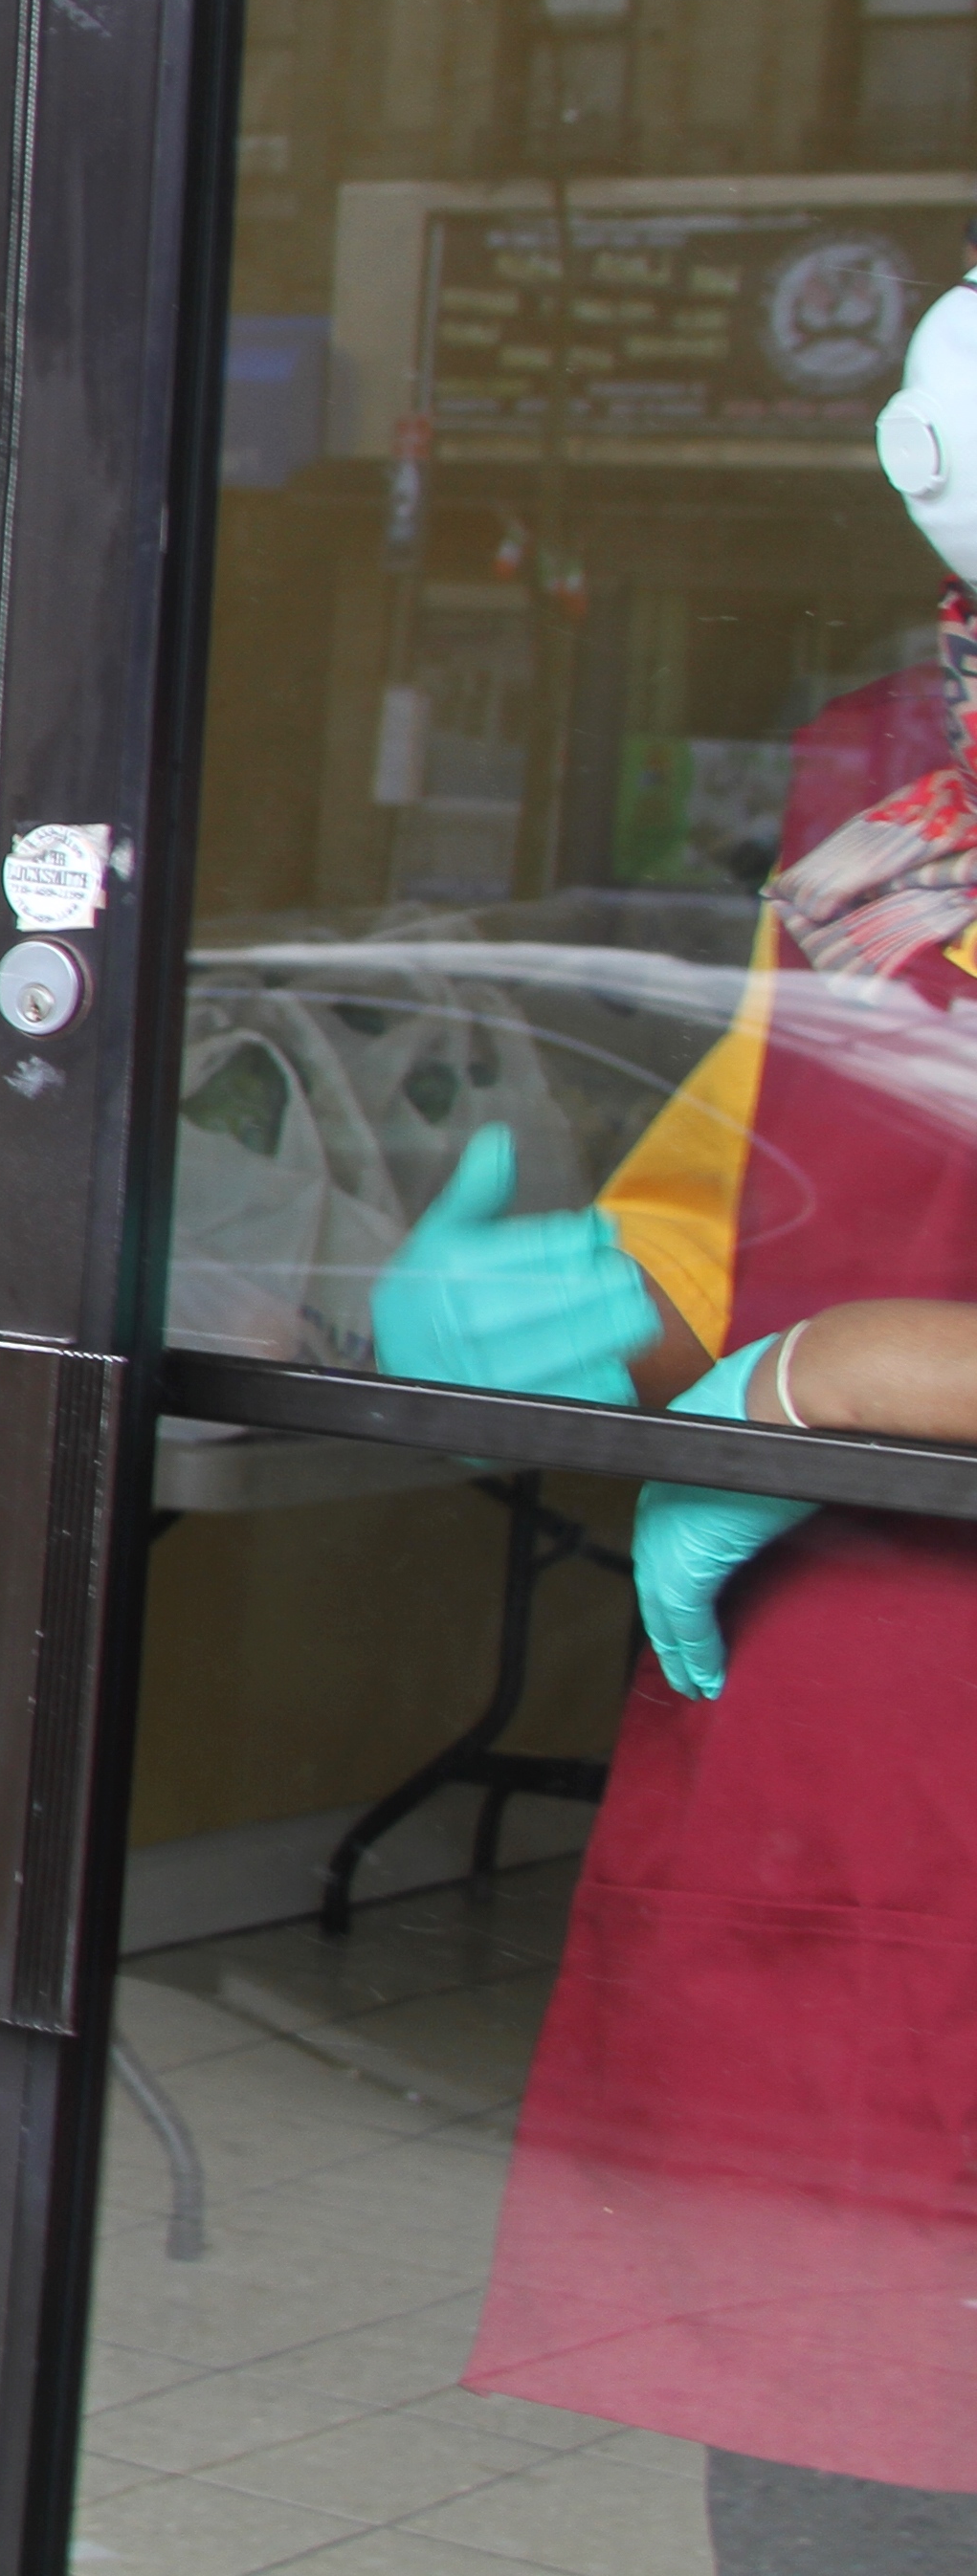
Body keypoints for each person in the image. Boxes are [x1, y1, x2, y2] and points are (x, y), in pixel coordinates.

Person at [370, 292, 977, 2555]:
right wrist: (564, 1318)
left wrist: (829, 1384)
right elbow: (721, 1250)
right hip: (833, 1828)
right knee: (832, 2496)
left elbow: (799, 1342)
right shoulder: (882, 877)